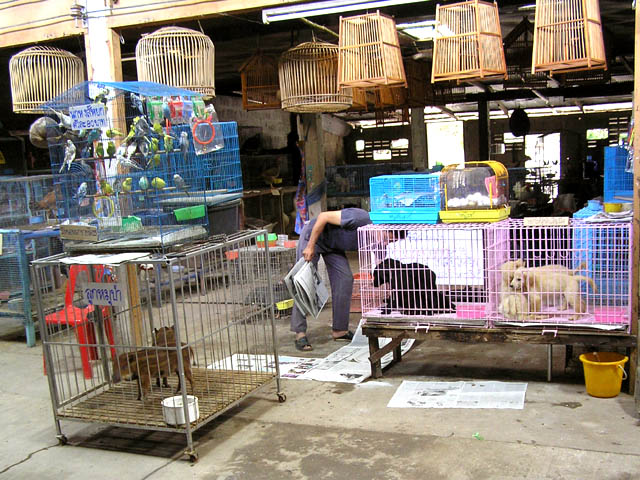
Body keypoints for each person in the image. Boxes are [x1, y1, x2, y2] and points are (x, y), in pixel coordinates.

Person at [291, 208, 371, 351]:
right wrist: (310, 246)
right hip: (314, 238)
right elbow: (323, 216)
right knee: (305, 282)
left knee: (345, 279)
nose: (386, 242)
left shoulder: (377, 237)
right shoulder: (360, 218)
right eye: (388, 238)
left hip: (333, 246)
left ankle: (340, 330)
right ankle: (300, 333)